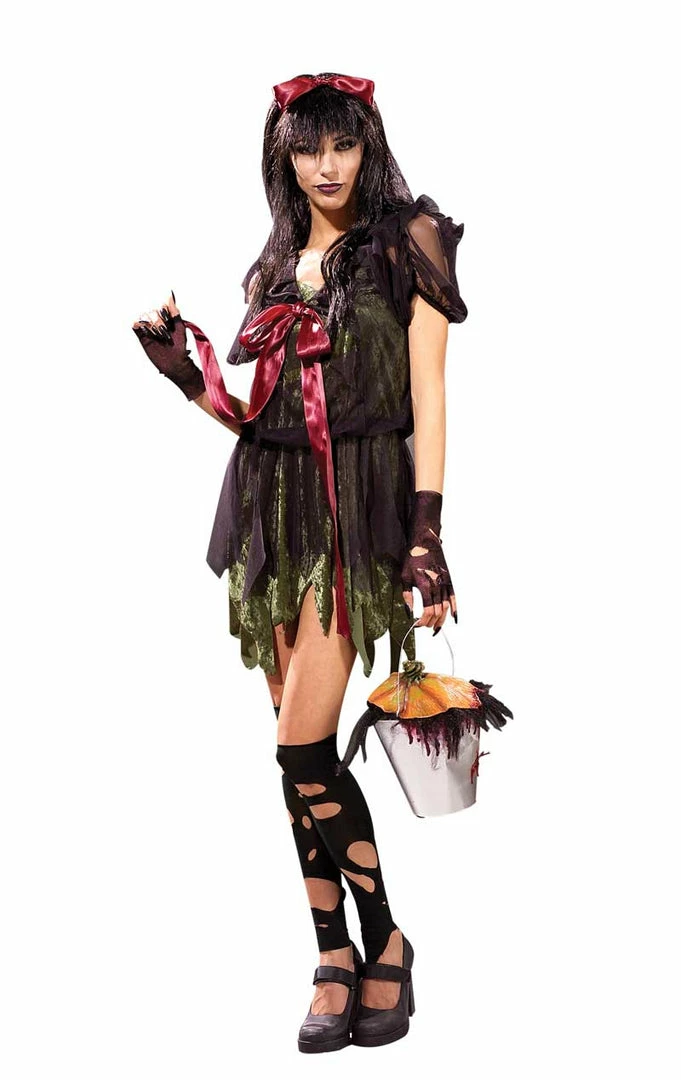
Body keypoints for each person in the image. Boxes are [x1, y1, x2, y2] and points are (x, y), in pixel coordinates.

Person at [132, 71, 467, 1052]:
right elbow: (259, 417)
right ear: (283, 155)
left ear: (368, 146)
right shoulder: (273, 269)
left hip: (357, 511)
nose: (327, 166)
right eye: (309, 148)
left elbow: (430, 395)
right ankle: (333, 955)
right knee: (292, 752)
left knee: (301, 748)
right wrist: (187, 374)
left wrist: (427, 533)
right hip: (272, 513)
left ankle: (385, 940)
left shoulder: (410, 242)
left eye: (343, 145)